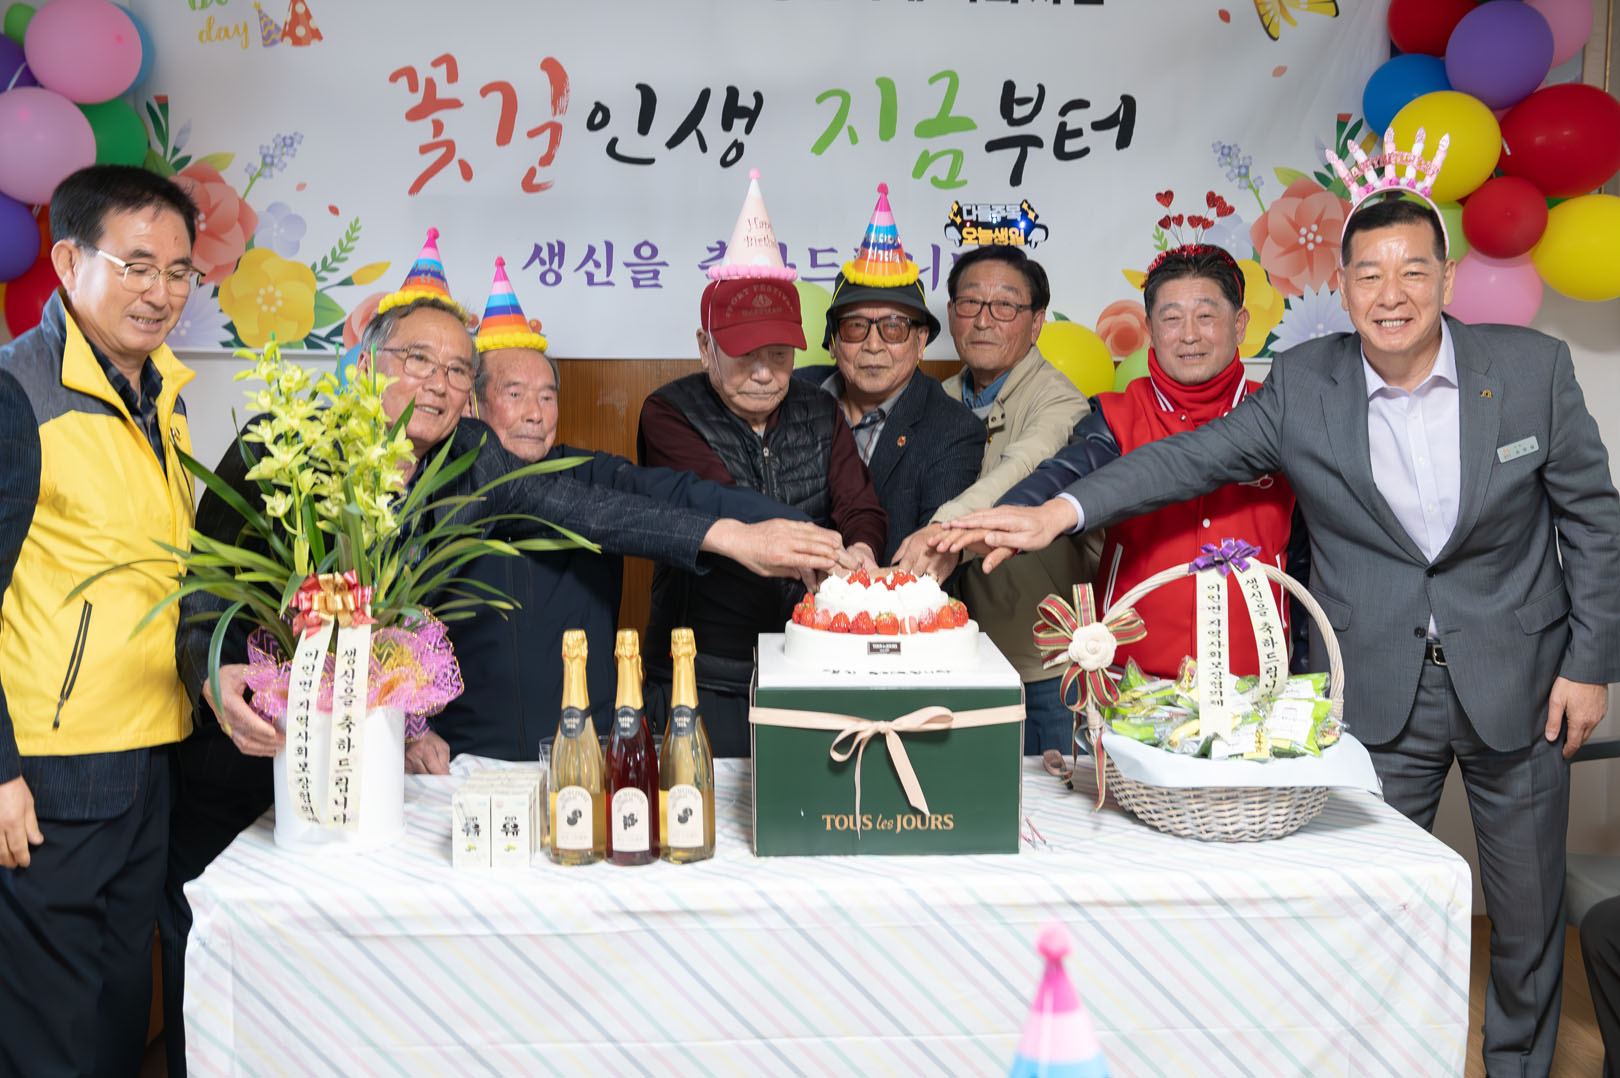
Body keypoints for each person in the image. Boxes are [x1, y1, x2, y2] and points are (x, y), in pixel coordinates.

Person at [941, 196, 1620, 1072]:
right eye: (1369, 274)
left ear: (1448, 278)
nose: (1391, 294)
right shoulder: (1305, 383)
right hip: (1377, 688)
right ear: (1342, 286)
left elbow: (1594, 521)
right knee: (1363, 906)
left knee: (1525, 919)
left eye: (1413, 270)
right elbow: (1184, 460)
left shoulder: (1531, 368)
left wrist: (1590, 664)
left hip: (1523, 684)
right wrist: (1056, 512)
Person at [162, 240, 847, 1071]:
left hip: (364, 770)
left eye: (457, 369)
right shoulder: (286, 444)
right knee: (228, 967)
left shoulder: (469, 458)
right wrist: (213, 672)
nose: (439, 383)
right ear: (370, 363)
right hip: (250, 748)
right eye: (419, 360)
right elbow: (205, 587)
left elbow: (580, 507)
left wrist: (734, 535)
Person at [437, 259, 826, 759]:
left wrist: (799, 531)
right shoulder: (438, 492)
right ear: (474, 404)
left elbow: (682, 493)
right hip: (463, 761)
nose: (535, 413)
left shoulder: (588, 473)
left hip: (592, 753)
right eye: (515, 394)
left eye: (547, 397)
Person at [0, 165, 202, 1075]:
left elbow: (170, 574)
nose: (161, 293)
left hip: (152, 750)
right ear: (68, 262)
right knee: (54, 1033)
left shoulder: (164, 397)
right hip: (50, 769)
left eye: (179, 272)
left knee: (123, 1012)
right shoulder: (18, 394)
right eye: (138, 266)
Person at [997, 243, 1301, 749]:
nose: (1189, 335)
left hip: (1255, 687)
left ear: (1241, 323)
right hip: (1129, 683)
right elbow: (1065, 473)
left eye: (1206, 316)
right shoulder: (1117, 415)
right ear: (1149, 328)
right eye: (1171, 318)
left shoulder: (1279, 419)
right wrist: (1005, 516)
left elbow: (1309, 558)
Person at [639, 272, 887, 755]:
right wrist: (826, 551)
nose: (764, 373)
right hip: (705, 671)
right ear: (706, 347)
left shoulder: (820, 409)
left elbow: (859, 502)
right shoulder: (669, 413)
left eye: (778, 355)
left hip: (810, 660)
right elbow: (718, 501)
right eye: (745, 355)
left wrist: (861, 549)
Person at [905, 244, 1092, 754]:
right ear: (951, 314)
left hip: (1042, 662)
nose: (984, 320)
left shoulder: (1060, 400)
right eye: (971, 303)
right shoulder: (933, 399)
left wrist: (940, 531)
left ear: (1036, 324)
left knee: (1056, 796)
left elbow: (1020, 472)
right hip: (952, 658)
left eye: (1005, 305)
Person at [809, 189, 982, 565]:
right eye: (855, 327)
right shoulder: (793, 395)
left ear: (921, 342)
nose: (873, 345)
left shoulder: (953, 429)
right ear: (833, 342)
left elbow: (934, 559)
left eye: (893, 327)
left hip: (893, 599)